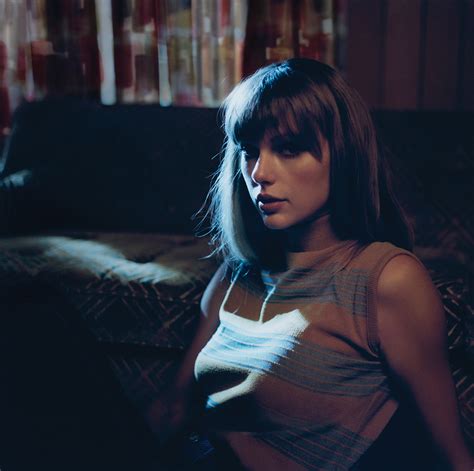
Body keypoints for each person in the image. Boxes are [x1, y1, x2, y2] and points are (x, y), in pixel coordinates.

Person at [147, 58, 473, 470]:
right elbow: (172, 408)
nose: (259, 172)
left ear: (344, 156)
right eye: (249, 151)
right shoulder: (236, 273)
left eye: (288, 149)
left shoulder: (386, 279)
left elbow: (450, 454)